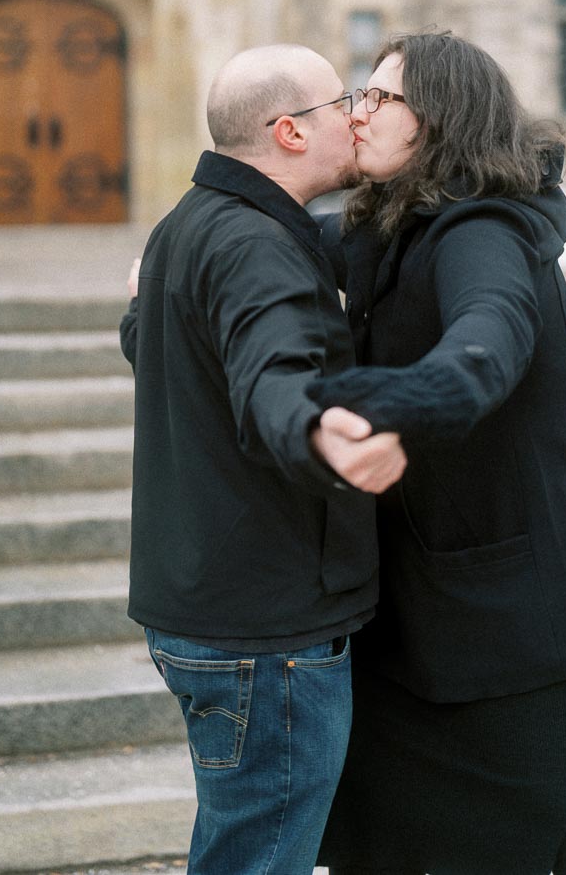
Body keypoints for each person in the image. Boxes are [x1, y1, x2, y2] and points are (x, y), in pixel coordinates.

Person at [312, 31, 566, 875]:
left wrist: (382, 407)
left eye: (380, 98)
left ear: (438, 119)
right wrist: (177, 263)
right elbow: (267, 246)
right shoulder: (389, 227)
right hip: (440, 610)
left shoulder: (483, 233)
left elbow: (490, 341)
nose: (359, 114)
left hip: (525, 612)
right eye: (359, 96)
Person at [119, 44, 406, 875]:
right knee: (260, 858)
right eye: (341, 101)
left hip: (207, 608)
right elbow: (271, 377)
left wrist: (139, 308)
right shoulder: (257, 248)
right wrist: (318, 429)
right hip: (263, 629)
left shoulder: (191, 222)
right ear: (288, 132)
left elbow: (157, 342)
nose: (356, 116)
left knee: (242, 844)